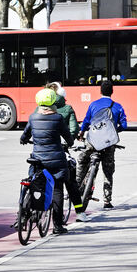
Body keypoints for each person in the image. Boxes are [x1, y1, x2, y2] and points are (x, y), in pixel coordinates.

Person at [21, 87, 75, 234]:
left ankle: (25, 212)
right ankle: (57, 226)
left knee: (34, 181)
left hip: (38, 159)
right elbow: (68, 137)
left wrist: (24, 140)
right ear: (53, 101)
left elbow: (25, 135)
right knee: (57, 189)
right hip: (56, 161)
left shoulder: (33, 117)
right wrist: (70, 142)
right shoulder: (58, 118)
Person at [77, 79, 128, 209]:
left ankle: (76, 187)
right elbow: (124, 125)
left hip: (93, 141)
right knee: (108, 171)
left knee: (82, 160)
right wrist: (113, 131)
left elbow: (86, 122)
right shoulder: (118, 106)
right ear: (112, 91)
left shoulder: (93, 105)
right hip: (108, 143)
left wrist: (81, 133)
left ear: (100, 91)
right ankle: (107, 200)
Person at [45, 81, 84, 214]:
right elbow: (73, 130)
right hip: (60, 150)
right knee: (70, 180)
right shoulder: (67, 109)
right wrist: (69, 142)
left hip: (40, 152)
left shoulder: (39, 109)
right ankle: (80, 212)